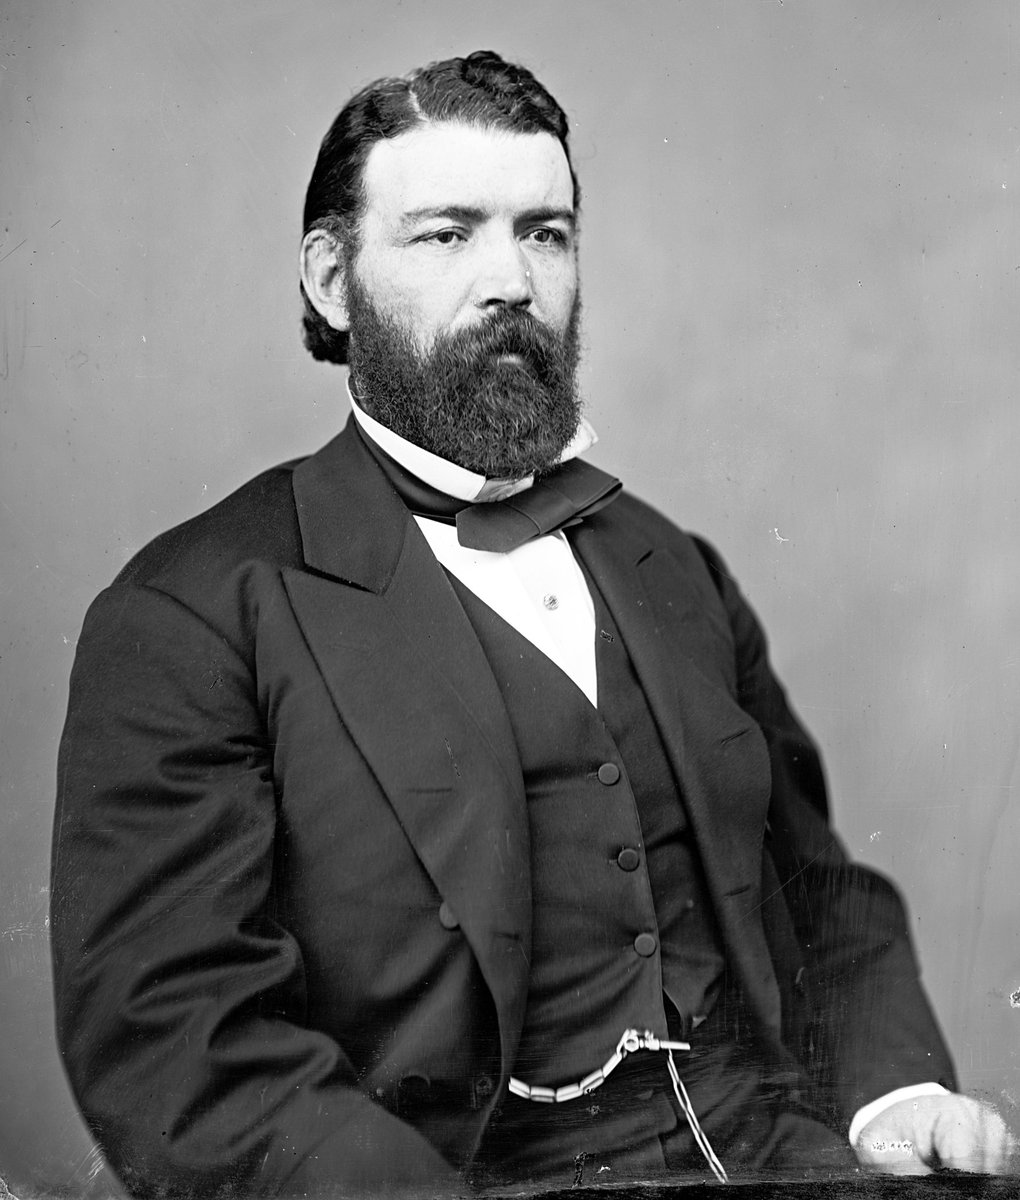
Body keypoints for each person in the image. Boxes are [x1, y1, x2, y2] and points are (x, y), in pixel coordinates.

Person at [51, 50, 1012, 1197]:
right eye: (447, 235)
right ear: (332, 279)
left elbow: (818, 890)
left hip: (771, 1156)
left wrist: (899, 1099)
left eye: (544, 233)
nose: (510, 278)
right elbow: (178, 1037)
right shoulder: (195, 610)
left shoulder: (670, 564)